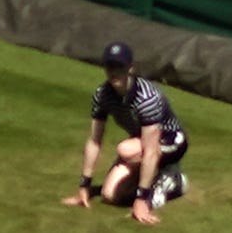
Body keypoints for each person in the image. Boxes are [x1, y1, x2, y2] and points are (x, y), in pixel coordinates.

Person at [65, 38, 187, 212]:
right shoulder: (102, 95)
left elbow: (151, 150)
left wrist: (142, 199)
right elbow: (94, 141)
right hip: (141, 142)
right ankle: (152, 177)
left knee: (126, 150)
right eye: (110, 66)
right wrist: (84, 186)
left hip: (171, 142)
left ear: (130, 68)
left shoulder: (146, 98)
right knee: (109, 195)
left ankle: (171, 180)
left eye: (119, 67)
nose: (114, 72)